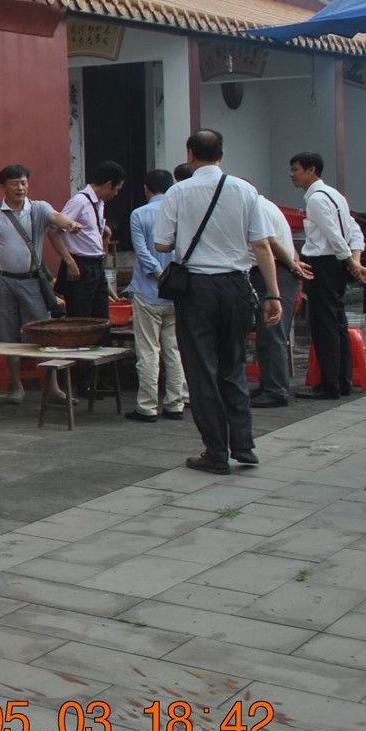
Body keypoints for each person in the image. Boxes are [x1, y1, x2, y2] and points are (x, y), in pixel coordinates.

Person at [153, 130, 283, 475]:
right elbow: (261, 245)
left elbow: (162, 244)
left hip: (197, 289)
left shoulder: (179, 191)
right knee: (233, 364)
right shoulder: (244, 190)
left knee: (201, 369)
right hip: (237, 285)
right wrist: (273, 294)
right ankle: (244, 443)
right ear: (221, 154)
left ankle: (215, 451)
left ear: (190, 154)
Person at [0, 165, 80, 402]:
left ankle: (52, 387)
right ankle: (16, 386)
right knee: (7, 333)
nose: (20, 188)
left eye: (24, 182)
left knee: (43, 332)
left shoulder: (38, 208)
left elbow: (55, 217)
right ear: (2, 186)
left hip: (32, 282)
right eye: (15, 183)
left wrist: (69, 223)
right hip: (1, 281)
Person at [289, 152, 366, 399]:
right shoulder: (334, 194)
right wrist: (353, 262)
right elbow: (353, 230)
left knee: (325, 324)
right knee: (337, 322)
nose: (292, 175)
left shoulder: (316, 199)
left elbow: (334, 236)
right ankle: (341, 381)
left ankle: (330, 385)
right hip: (335, 263)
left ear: (311, 170)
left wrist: (352, 263)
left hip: (324, 264)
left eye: (296, 170)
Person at [126, 170, 186, 422]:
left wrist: (159, 274)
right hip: (177, 293)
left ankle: (148, 406)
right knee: (174, 350)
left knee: (148, 351)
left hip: (147, 292)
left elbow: (141, 252)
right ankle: (175, 403)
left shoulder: (139, 214)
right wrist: (171, 278)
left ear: (146, 189)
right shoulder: (181, 213)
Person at [249, 193, 310, 409]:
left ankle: (275, 390)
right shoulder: (267, 205)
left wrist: (292, 265)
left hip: (276, 270)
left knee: (272, 333)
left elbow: (269, 242)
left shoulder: (256, 207)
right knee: (268, 334)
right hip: (281, 269)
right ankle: (268, 385)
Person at [58, 160, 126, 321]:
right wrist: (70, 262)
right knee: (81, 320)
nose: (116, 194)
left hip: (96, 265)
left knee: (101, 319)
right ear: (109, 184)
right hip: (80, 264)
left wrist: (108, 287)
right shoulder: (79, 201)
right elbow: (54, 233)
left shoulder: (99, 204)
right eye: (116, 189)